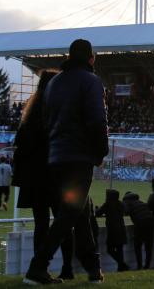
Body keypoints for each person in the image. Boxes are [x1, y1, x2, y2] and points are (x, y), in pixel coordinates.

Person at [24, 39, 108, 285]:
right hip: (79, 157)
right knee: (70, 214)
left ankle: (94, 270)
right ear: (91, 58)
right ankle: (37, 268)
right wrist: (101, 151)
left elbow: (47, 120)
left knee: (78, 212)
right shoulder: (91, 82)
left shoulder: (54, 83)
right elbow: (97, 119)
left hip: (57, 156)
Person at [12, 70, 75, 280]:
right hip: (55, 176)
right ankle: (67, 268)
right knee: (64, 223)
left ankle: (41, 268)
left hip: (35, 179)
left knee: (41, 224)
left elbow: (20, 147)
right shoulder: (57, 111)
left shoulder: (30, 114)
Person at [96, 189, 128, 272]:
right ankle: (121, 266)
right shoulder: (121, 204)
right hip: (121, 229)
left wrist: (96, 209)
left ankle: (122, 265)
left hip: (112, 230)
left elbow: (98, 213)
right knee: (119, 250)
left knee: (110, 249)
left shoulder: (108, 204)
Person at [123, 192, 154, 270]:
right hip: (150, 222)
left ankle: (139, 265)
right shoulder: (141, 202)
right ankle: (147, 265)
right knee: (148, 246)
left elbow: (125, 211)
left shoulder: (128, 202)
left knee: (138, 245)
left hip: (140, 223)